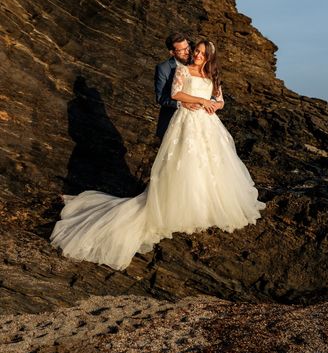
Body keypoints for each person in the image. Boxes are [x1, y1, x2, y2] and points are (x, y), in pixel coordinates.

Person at [50, 39, 266, 270]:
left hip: (208, 124)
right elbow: (175, 94)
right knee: (185, 164)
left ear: (210, 57)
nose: (197, 56)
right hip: (186, 122)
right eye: (197, 52)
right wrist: (201, 100)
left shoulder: (212, 76)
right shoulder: (183, 70)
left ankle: (207, 207)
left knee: (211, 165)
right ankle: (182, 208)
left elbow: (221, 100)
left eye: (202, 53)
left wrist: (213, 105)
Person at [155, 32, 199, 139]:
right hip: (172, 121)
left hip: (197, 121)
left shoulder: (198, 62)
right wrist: (181, 104)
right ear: (172, 52)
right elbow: (161, 98)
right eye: (181, 50)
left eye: (187, 47)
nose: (187, 52)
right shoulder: (163, 68)